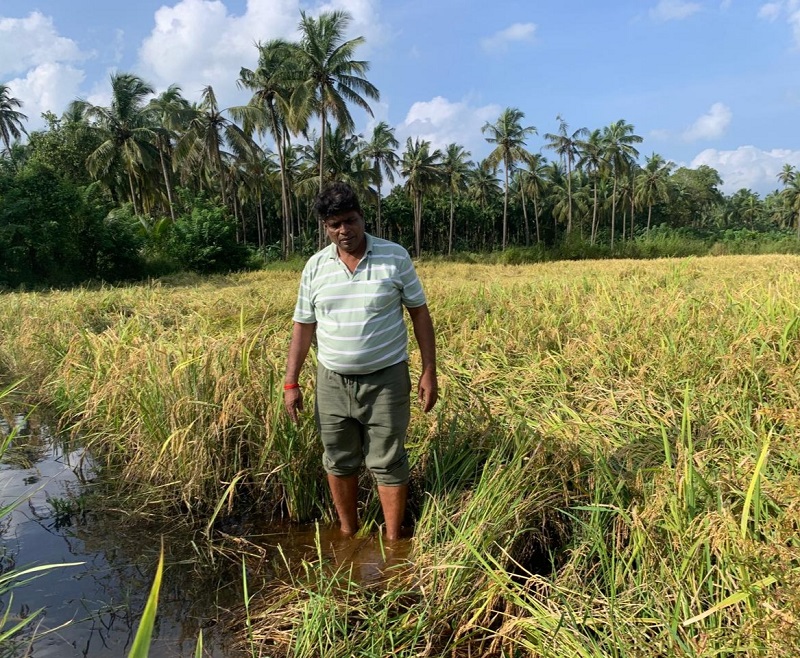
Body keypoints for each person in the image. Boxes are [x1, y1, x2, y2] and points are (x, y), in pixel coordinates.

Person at [283, 181, 437, 541]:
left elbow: (420, 314)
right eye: (335, 224)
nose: (344, 231)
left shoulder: (394, 256)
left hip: (386, 379)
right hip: (333, 382)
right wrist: (291, 382)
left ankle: (394, 539)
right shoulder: (315, 267)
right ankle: (348, 533)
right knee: (338, 459)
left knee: (388, 460)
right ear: (325, 227)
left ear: (362, 217)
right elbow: (303, 326)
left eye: (350, 220)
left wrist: (429, 370)